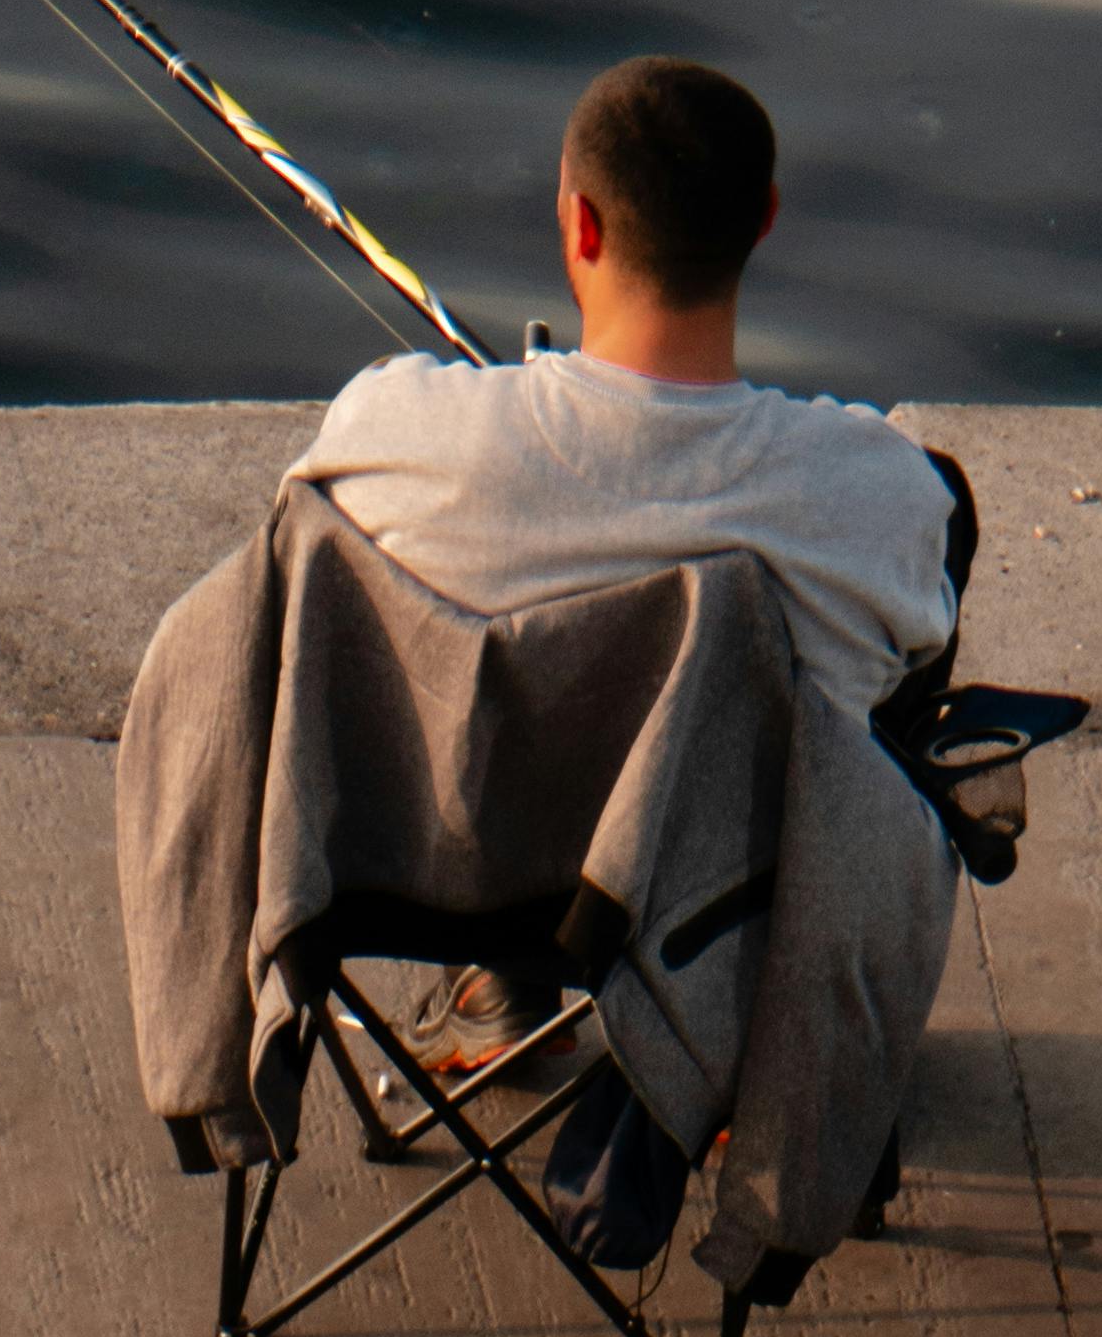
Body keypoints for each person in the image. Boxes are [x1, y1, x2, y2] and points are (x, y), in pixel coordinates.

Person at [284, 57, 964, 1059]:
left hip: (435, 880)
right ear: (765, 220)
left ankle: (498, 994)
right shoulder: (879, 494)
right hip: (711, 900)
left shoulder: (390, 427)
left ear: (582, 227)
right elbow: (897, 669)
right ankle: (747, 1043)